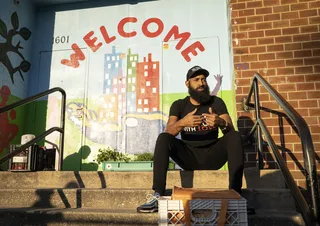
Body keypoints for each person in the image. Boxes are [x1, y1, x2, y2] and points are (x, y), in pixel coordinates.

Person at [136, 66, 246, 213]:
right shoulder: (179, 105)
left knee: (235, 136)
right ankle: (158, 195)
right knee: (163, 138)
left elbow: (230, 130)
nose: (201, 83)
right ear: (187, 84)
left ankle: (235, 194)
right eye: (196, 80)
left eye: (203, 79)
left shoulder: (216, 102)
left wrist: (220, 122)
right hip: (188, 156)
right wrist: (183, 123)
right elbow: (169, 132)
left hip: (213, 155)